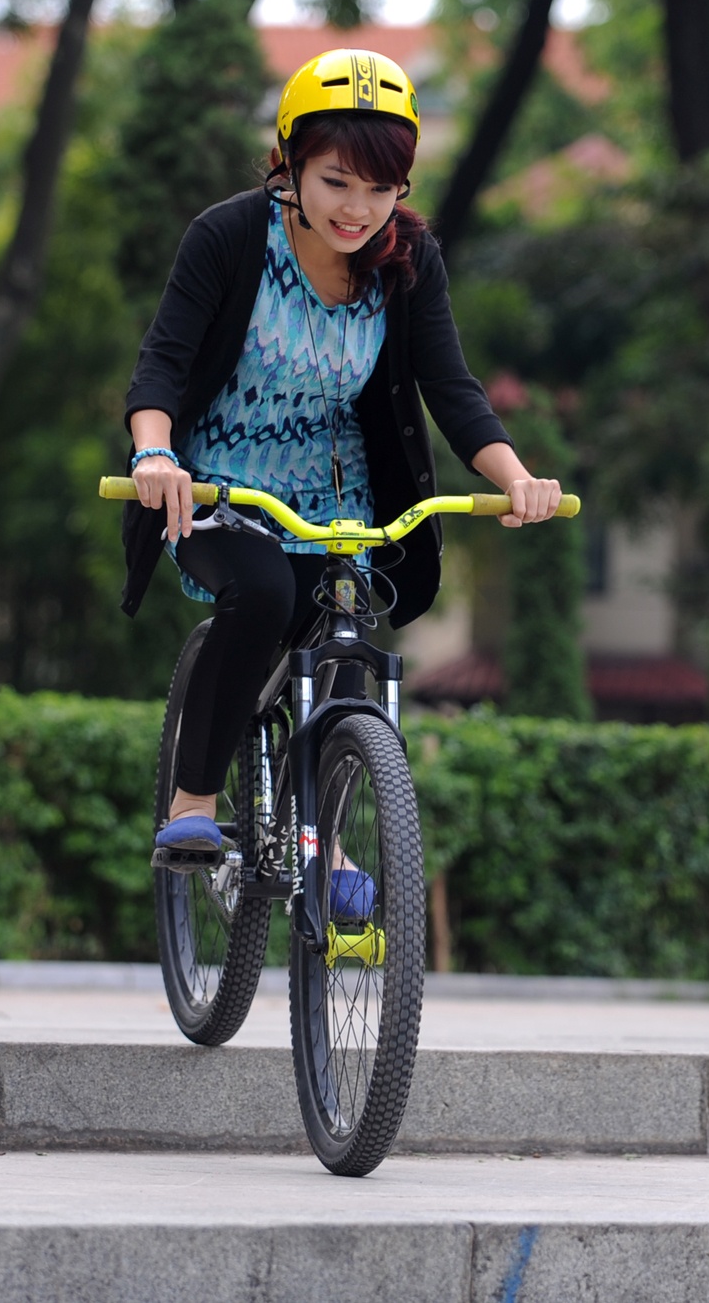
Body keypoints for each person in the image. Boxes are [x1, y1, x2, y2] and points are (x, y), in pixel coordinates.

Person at [118, 47, 563, 906]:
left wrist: (516, 475)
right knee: (263, 594)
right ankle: (195, 800)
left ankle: (328, 843)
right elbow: (162, 365)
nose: (359, 209)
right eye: (336, 181)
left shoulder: (408, 258)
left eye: (382, 187)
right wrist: (155, 453)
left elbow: (450, 386)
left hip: (341, 500)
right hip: (219, 490)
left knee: (347, 633)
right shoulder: (229, 237)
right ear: (288, 162)